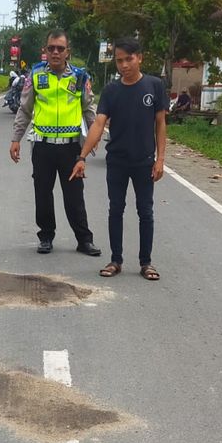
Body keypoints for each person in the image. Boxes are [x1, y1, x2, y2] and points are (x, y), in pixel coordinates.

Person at [72, 37, 167, 281]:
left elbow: (160, 123)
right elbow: (99, 123)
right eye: (119, 60)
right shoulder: (111, 91)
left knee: (145, 211)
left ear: (140, 58)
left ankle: (146, 262)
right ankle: (116, 260)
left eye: (129, 59)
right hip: (117, 161)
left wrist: (160, 160)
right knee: (116, 209)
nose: (124, 65)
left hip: (144, 161)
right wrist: (82, 156)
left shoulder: (154, 86)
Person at [9, 30, 100, 256]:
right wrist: (16, 138)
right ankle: (46, 237)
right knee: (43, 194)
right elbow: (25, 109)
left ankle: (84, 240)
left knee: (74, 196)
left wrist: (93, 136)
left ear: (68, 51)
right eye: (51, 48)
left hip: (71, 148)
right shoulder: (35, 75)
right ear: (45, 51)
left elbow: (89, 109)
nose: (56, 52)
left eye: (60, 48)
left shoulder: (80, 77)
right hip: (43, 147)